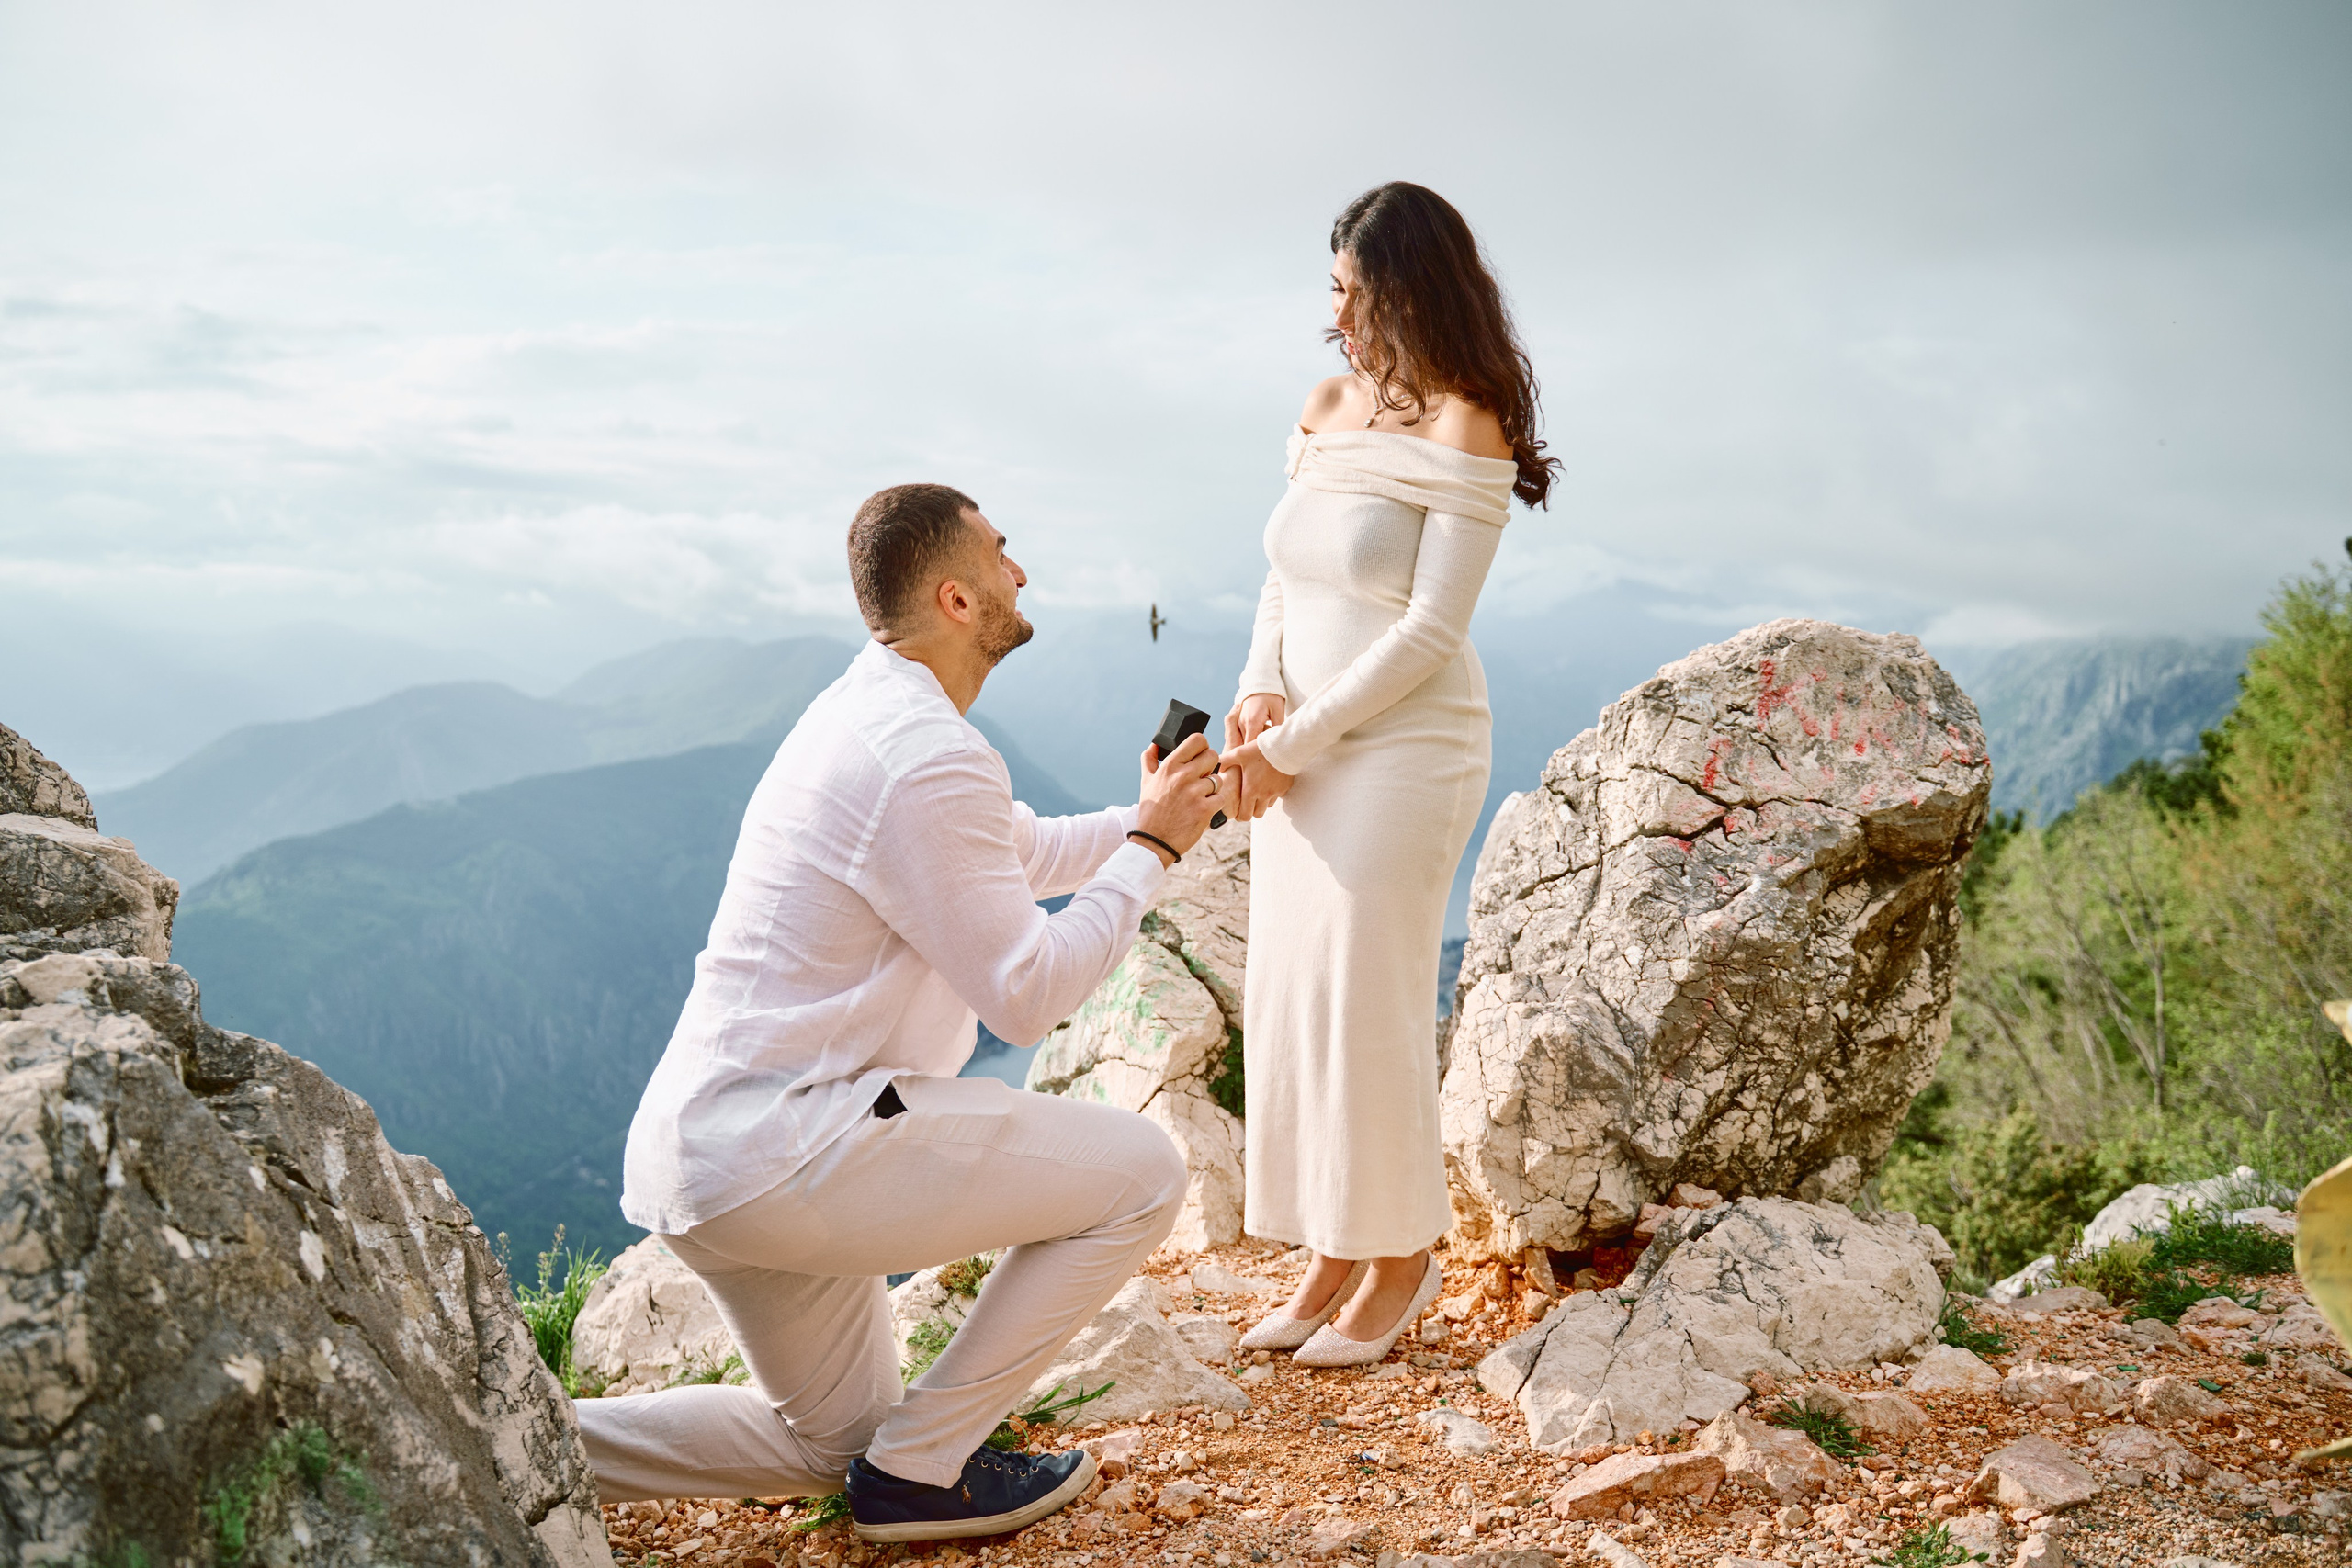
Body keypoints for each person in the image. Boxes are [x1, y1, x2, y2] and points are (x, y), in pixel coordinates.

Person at [578, 483, 1232, 1540]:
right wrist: (1151, 854)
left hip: (715, 1158)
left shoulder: (872, 712)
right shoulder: (926, 754)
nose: (1020, 572)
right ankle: (923, 1470)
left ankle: (524, 1440)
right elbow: (1028, 996)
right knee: (1142, 1175)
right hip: (794, 1149)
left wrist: (1160, 811)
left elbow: (1011, 852)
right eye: (1002, 554)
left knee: (822, 1447)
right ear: (957, 598)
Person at [1220, 182, 1558, 1366]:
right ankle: (1330, 1247)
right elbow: (1284, 573)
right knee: (1300, 996)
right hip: (1298, 740)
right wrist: (1261, 687)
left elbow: (1424, 631)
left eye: (1357, 293)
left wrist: (1291, 745)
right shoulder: (1326, 404)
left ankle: (1402, 1256)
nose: (1339, 318)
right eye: (1332, 291)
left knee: (1365, 997)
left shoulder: (1467, 426)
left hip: (1406, 750)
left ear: (1414, 289)